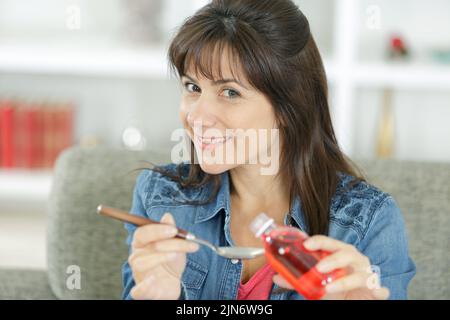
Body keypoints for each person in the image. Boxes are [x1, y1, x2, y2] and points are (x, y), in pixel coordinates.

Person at [122, 0, 416, 300]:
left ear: (289, 107)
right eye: (192, 87)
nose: (197, 116)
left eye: (230, 92)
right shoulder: (160, 199)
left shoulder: (367, 223)